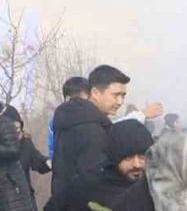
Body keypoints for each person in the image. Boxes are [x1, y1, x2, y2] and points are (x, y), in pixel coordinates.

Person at [46, 120, 154, 211]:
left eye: (142, 157)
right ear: (115, 157)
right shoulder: (89, 182)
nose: (136, 164)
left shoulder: (154, 184)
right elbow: (52, 210)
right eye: (128, 158)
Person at [52, 65, 130, 195]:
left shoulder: (72, 119)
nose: (120, 101)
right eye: (115, 95)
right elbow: (94, 182)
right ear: (95, 93)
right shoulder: (92, 129)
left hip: (67, 206)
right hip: (88, 210)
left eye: (123, 96)